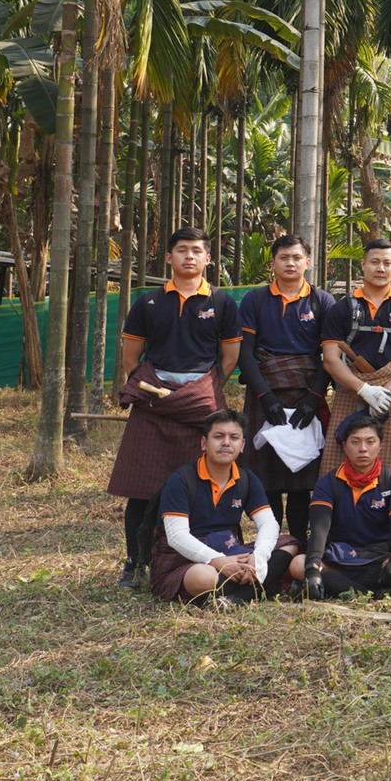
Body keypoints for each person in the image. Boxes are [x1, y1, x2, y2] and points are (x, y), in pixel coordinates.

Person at [110, 227, 244, 589]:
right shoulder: (148, 303)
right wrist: (160, 392)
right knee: (142, 489)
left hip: (201, 406)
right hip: (152, 404)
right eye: (181, 250)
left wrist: (197, 393)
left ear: (207, 258)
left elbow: (229, 359)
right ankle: (135, 563)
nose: (189, 256)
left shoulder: (223, 302)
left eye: (196, 250)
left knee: (203, 485)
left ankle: (196, 558)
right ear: (168, 258)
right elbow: (131, 359)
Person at [237, 233, 333, 546]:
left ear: (308, 261)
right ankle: (273, 543)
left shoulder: (323, 301)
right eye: (283, 257)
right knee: (267, 476)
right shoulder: (255, 299)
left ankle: (301, 544)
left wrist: (314, 398)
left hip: (307, 392)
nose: (290, 263)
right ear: (273, 263)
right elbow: (244, 352)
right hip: (264, 391)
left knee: (302, 478)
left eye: (296, 257)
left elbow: (330, 356)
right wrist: (264, 397)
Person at [148, 410, 297, 605]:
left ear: (242, 445)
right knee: (204, 577)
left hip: (230, 549)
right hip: (184, 558)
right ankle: (257, 586)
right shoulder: (181, 480)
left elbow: (268, 523)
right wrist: (217, 561)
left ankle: (235, 598)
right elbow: (177, 536)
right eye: (218, 436)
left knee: (290, 544)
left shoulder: (247, 479)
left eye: (234, 437)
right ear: (204, 443)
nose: (226, 443)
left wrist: (258, 559)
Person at [317, 238, 391, 479]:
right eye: (374, 262)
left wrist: (386, 390)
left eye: (387, 263)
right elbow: (331, 359)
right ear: (363, 265)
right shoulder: (342, 308)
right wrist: (364, 389)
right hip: (350, 391)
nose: (381, 268)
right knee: (339, 464)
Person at [291, 412, 391, 601]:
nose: (363, 449)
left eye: (370, 441)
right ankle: (379, 595)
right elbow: (319, 529)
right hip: (337, 558)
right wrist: (313, 568)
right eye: (355, 442)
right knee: (299, 565)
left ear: (380, 445)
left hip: (378, 558)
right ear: (344, 446)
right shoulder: (328, 482)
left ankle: (334, 586)